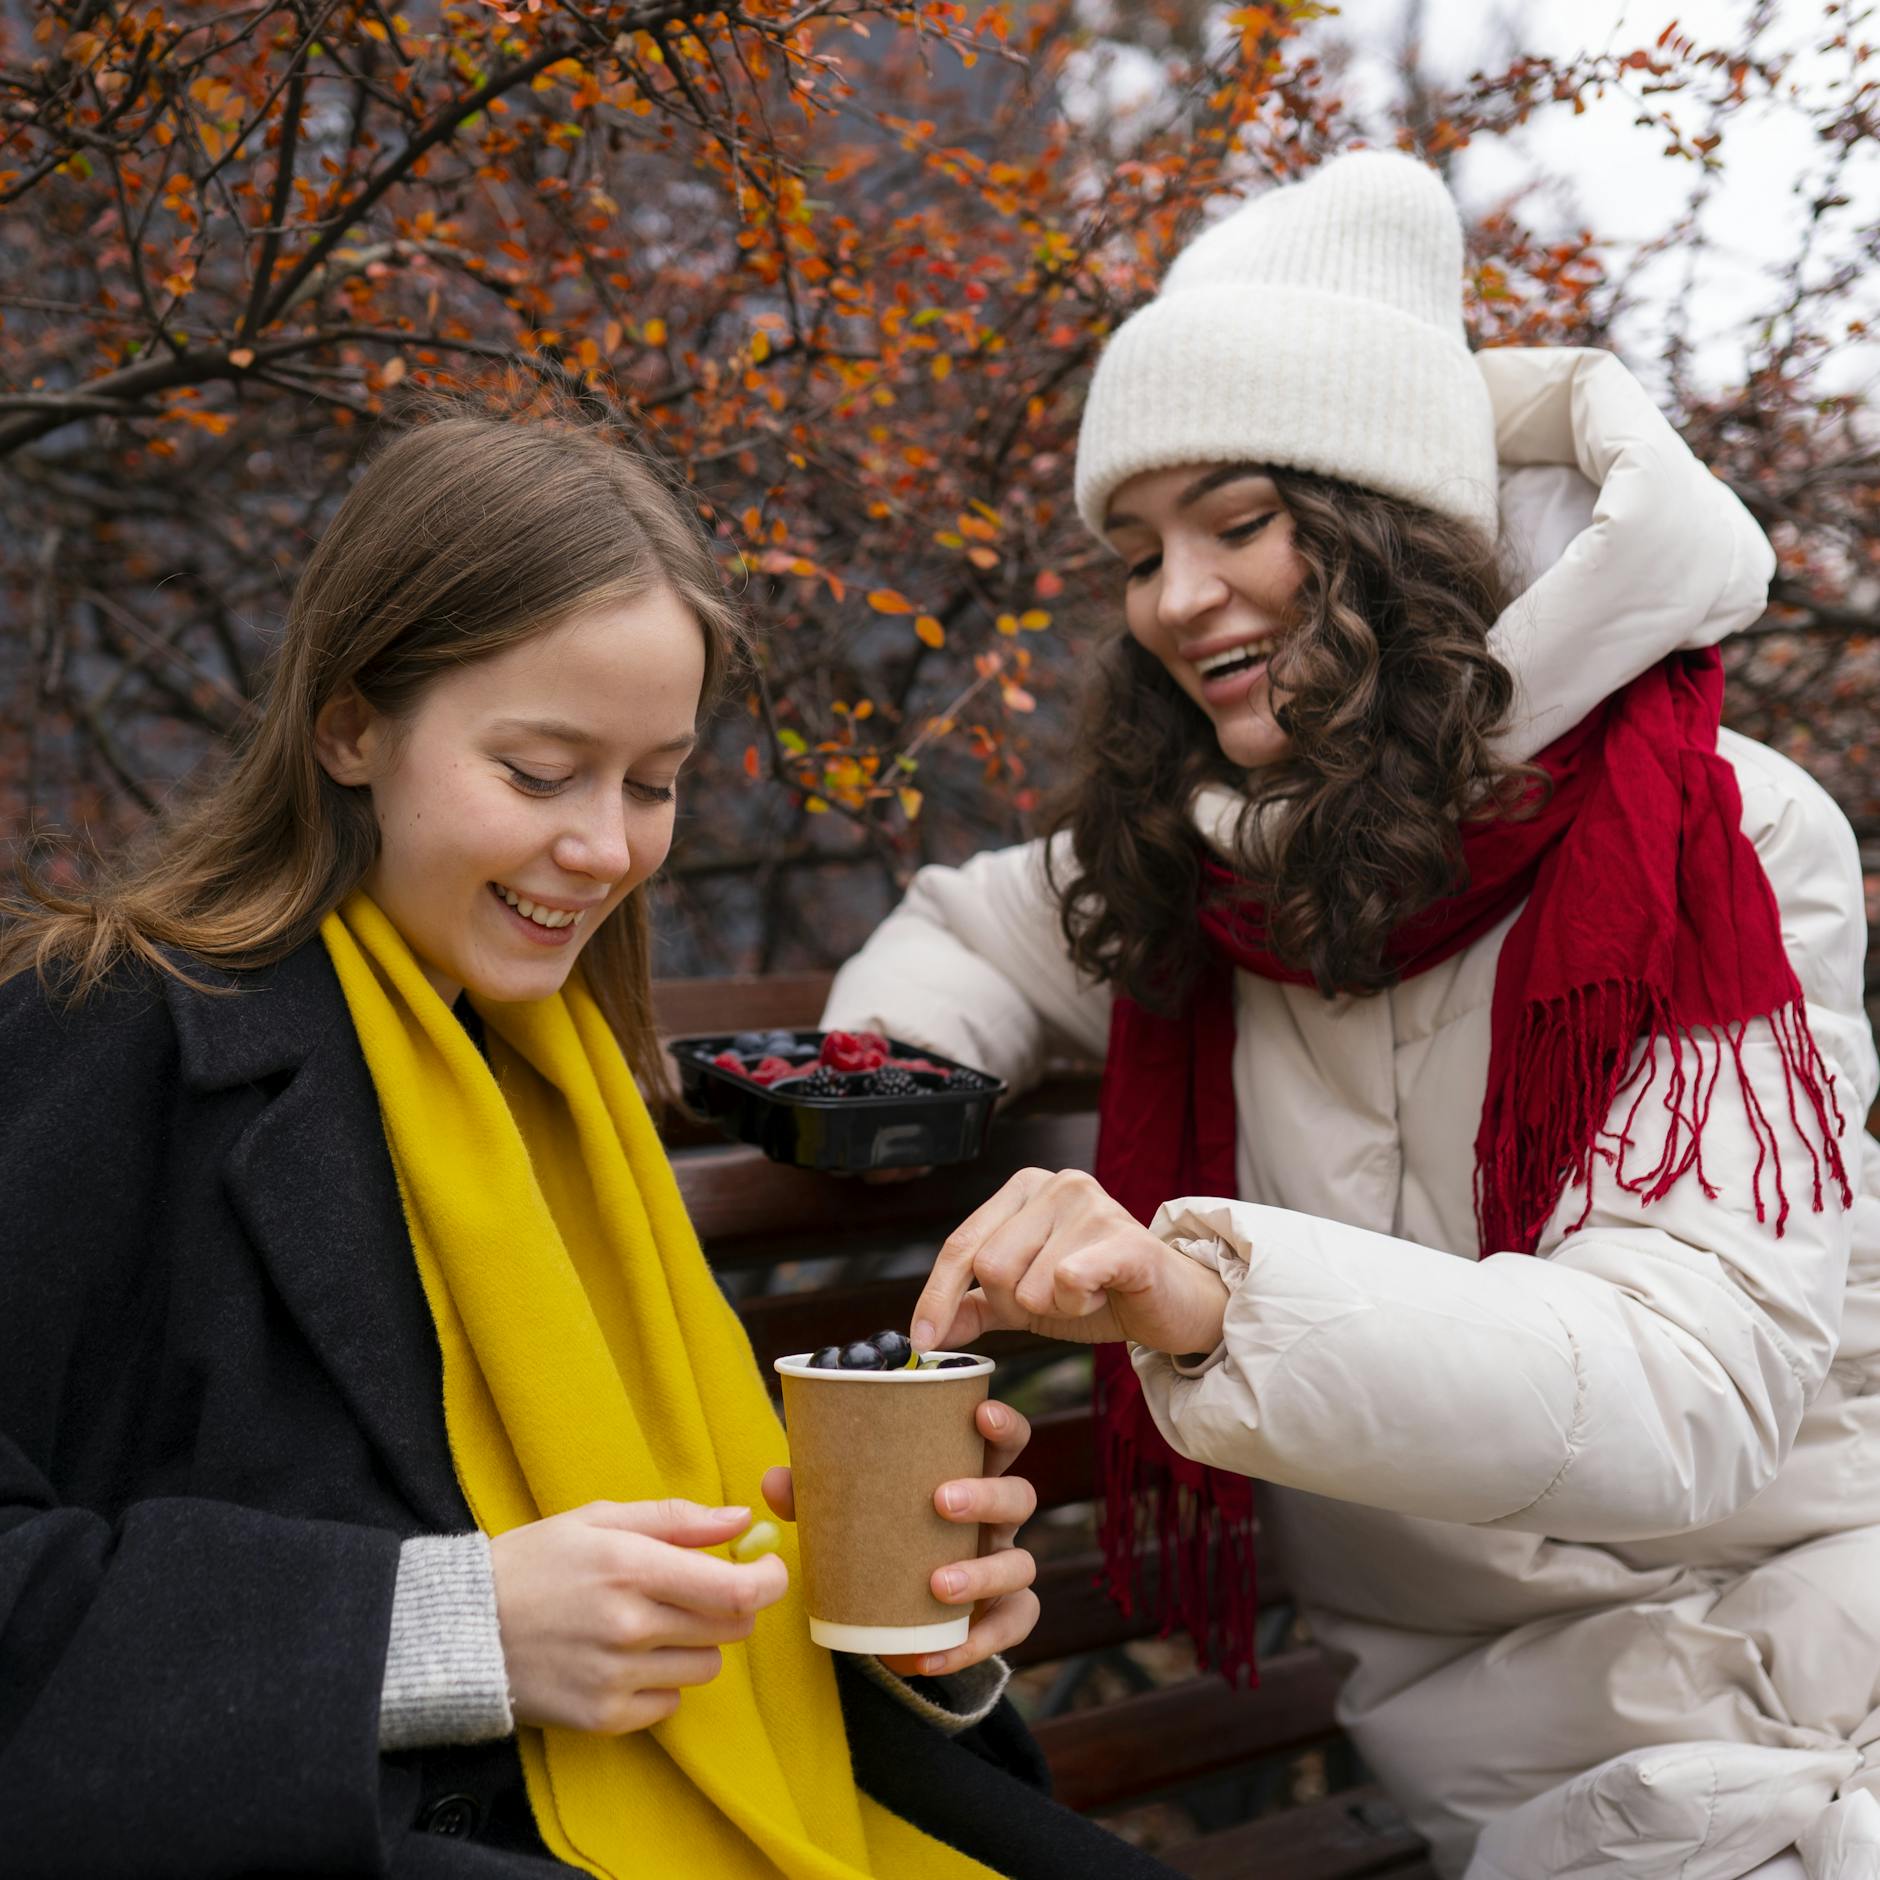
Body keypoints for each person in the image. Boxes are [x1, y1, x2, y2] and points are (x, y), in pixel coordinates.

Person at [822, 151, 1880, 1879]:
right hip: (1528, 1739)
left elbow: (1689, 1385)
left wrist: (1208, 1291)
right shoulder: (1199, 865)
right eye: (1139, 553)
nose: (1174, 598)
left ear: (1394, 528)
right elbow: (974, 935)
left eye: (1237, 523)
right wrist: (882, 1082)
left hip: (1828, 1646)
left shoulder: (1717, 838)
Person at [0, 393, 1178, 1880]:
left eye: (654, 782)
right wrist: (451, 1631)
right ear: (350, 726)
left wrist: (916, 1638)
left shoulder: (559, 1084)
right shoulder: (110, 1030)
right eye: (539, 773)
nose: (607, 847)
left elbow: (696, 1611)